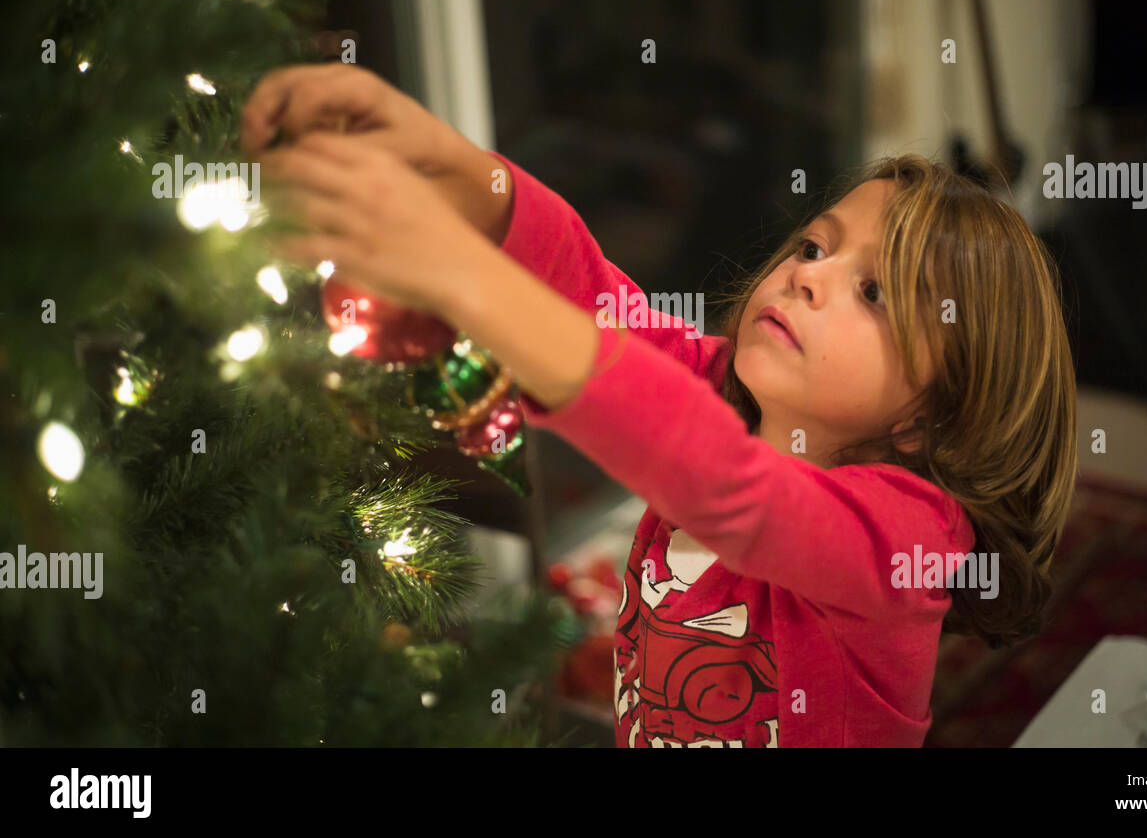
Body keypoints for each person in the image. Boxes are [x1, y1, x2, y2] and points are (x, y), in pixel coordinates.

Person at [242, 64, 1078, 747]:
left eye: (873, 292)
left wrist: (462, 275)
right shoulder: (727, 391)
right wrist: (443, 159)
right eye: (816, 245)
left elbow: (727, 485)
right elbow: (592, 296)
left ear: (930, 414)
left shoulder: (906, 537)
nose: (807, 274)